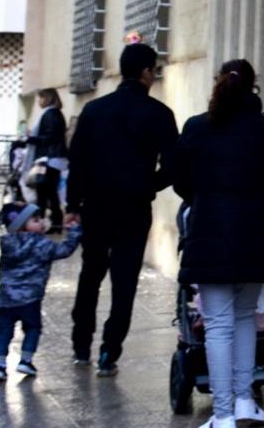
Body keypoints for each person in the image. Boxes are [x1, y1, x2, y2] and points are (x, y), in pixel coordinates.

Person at [173, 58, 264, 428]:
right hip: (254, 233)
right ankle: (245, 401)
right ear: (253, 86)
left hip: (209, 232)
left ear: (219, 83)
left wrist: (204, 195)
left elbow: (181, 179)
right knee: (245, 317)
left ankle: (223, 414)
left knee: (217, 325)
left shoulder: (198, 126)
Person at [65, 43, 179, 376]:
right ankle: (109, 353)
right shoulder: (159, 114)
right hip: (134, 207)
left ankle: (80, 347)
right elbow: (174, 166)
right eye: (154, 70)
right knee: (124, 281)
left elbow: (78, 162)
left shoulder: (94, 110)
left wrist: (73, 205)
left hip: (96, 206)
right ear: (146, 72)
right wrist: (149, 185)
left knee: (90, 275)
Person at [0, 202, 82, 381]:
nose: (42, 222)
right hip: (30, 299)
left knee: (3, 332)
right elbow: (63, 250)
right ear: (22, 225)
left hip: (5, 300)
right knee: (32, 328)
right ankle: (26, 360)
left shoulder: (7, 244)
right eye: (35, 220)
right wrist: (75, 232)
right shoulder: (40, 244)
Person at [29, 88, 68, 232]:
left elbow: (50, 136)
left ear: (48, 98)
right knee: (50, 192)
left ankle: (43, 223)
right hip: (53, 158)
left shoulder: (51, 114)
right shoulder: (54, 113)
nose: (39, 101)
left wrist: (31, 138)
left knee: (44, 192)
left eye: (41, 98)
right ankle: (55, 223)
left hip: (49, 159)